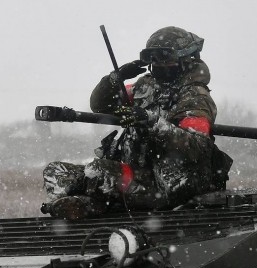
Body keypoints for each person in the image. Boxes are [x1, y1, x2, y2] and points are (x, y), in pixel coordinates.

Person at [41, 26, 232, 220]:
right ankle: (82, 203)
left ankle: (91, 203)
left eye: (165, 57)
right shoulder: (145, 87)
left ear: (186, 60)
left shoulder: (194, 97)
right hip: (137, 172)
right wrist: (115, 79)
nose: (158, 64)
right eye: (152, 58)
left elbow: (196, 146)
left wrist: (152, 122)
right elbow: (100, 105)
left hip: (170, 182)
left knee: (100, 171)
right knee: (56, 171)